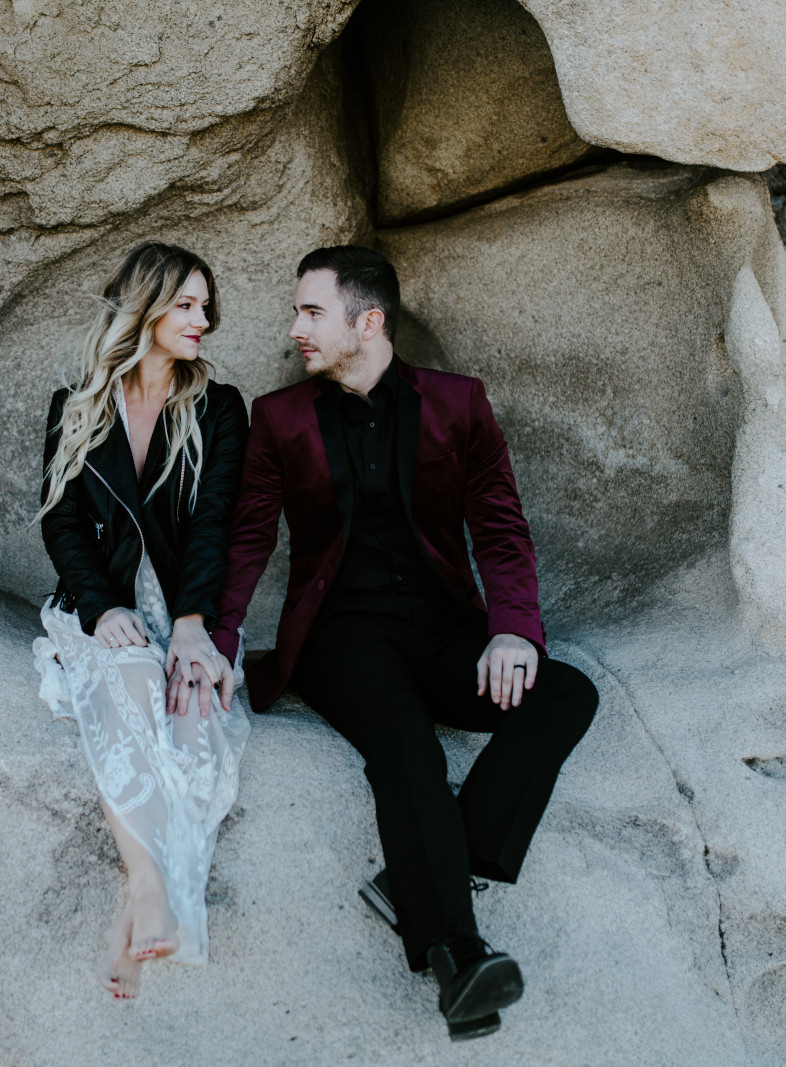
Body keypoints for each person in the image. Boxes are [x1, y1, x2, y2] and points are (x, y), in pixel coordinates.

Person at [208, 246, 598, 1040]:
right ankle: (455, 951)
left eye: (311, 312)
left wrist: (514, 630)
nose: (295, 331)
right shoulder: (279, 419)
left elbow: (499, 524)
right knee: (406, 746)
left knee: (564, 691)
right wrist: (218, 639)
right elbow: (246, 538)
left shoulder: (459, 404)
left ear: (370, 320)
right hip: (340, 638)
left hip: (442, 628)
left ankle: (417, 877)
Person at [32, 242, 251, 999]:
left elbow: (215, 520)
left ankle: (135, 904)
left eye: (204, 305)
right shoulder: (77, 404)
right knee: (126, 680)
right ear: (146, 307)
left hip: (186, 606)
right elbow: (60, 524)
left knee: (192, 723)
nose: (203, 319)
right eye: (186, 304)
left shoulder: (219, 407)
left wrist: (192, 625)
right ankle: (146, 880)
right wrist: (102, 608)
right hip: (108, 604)